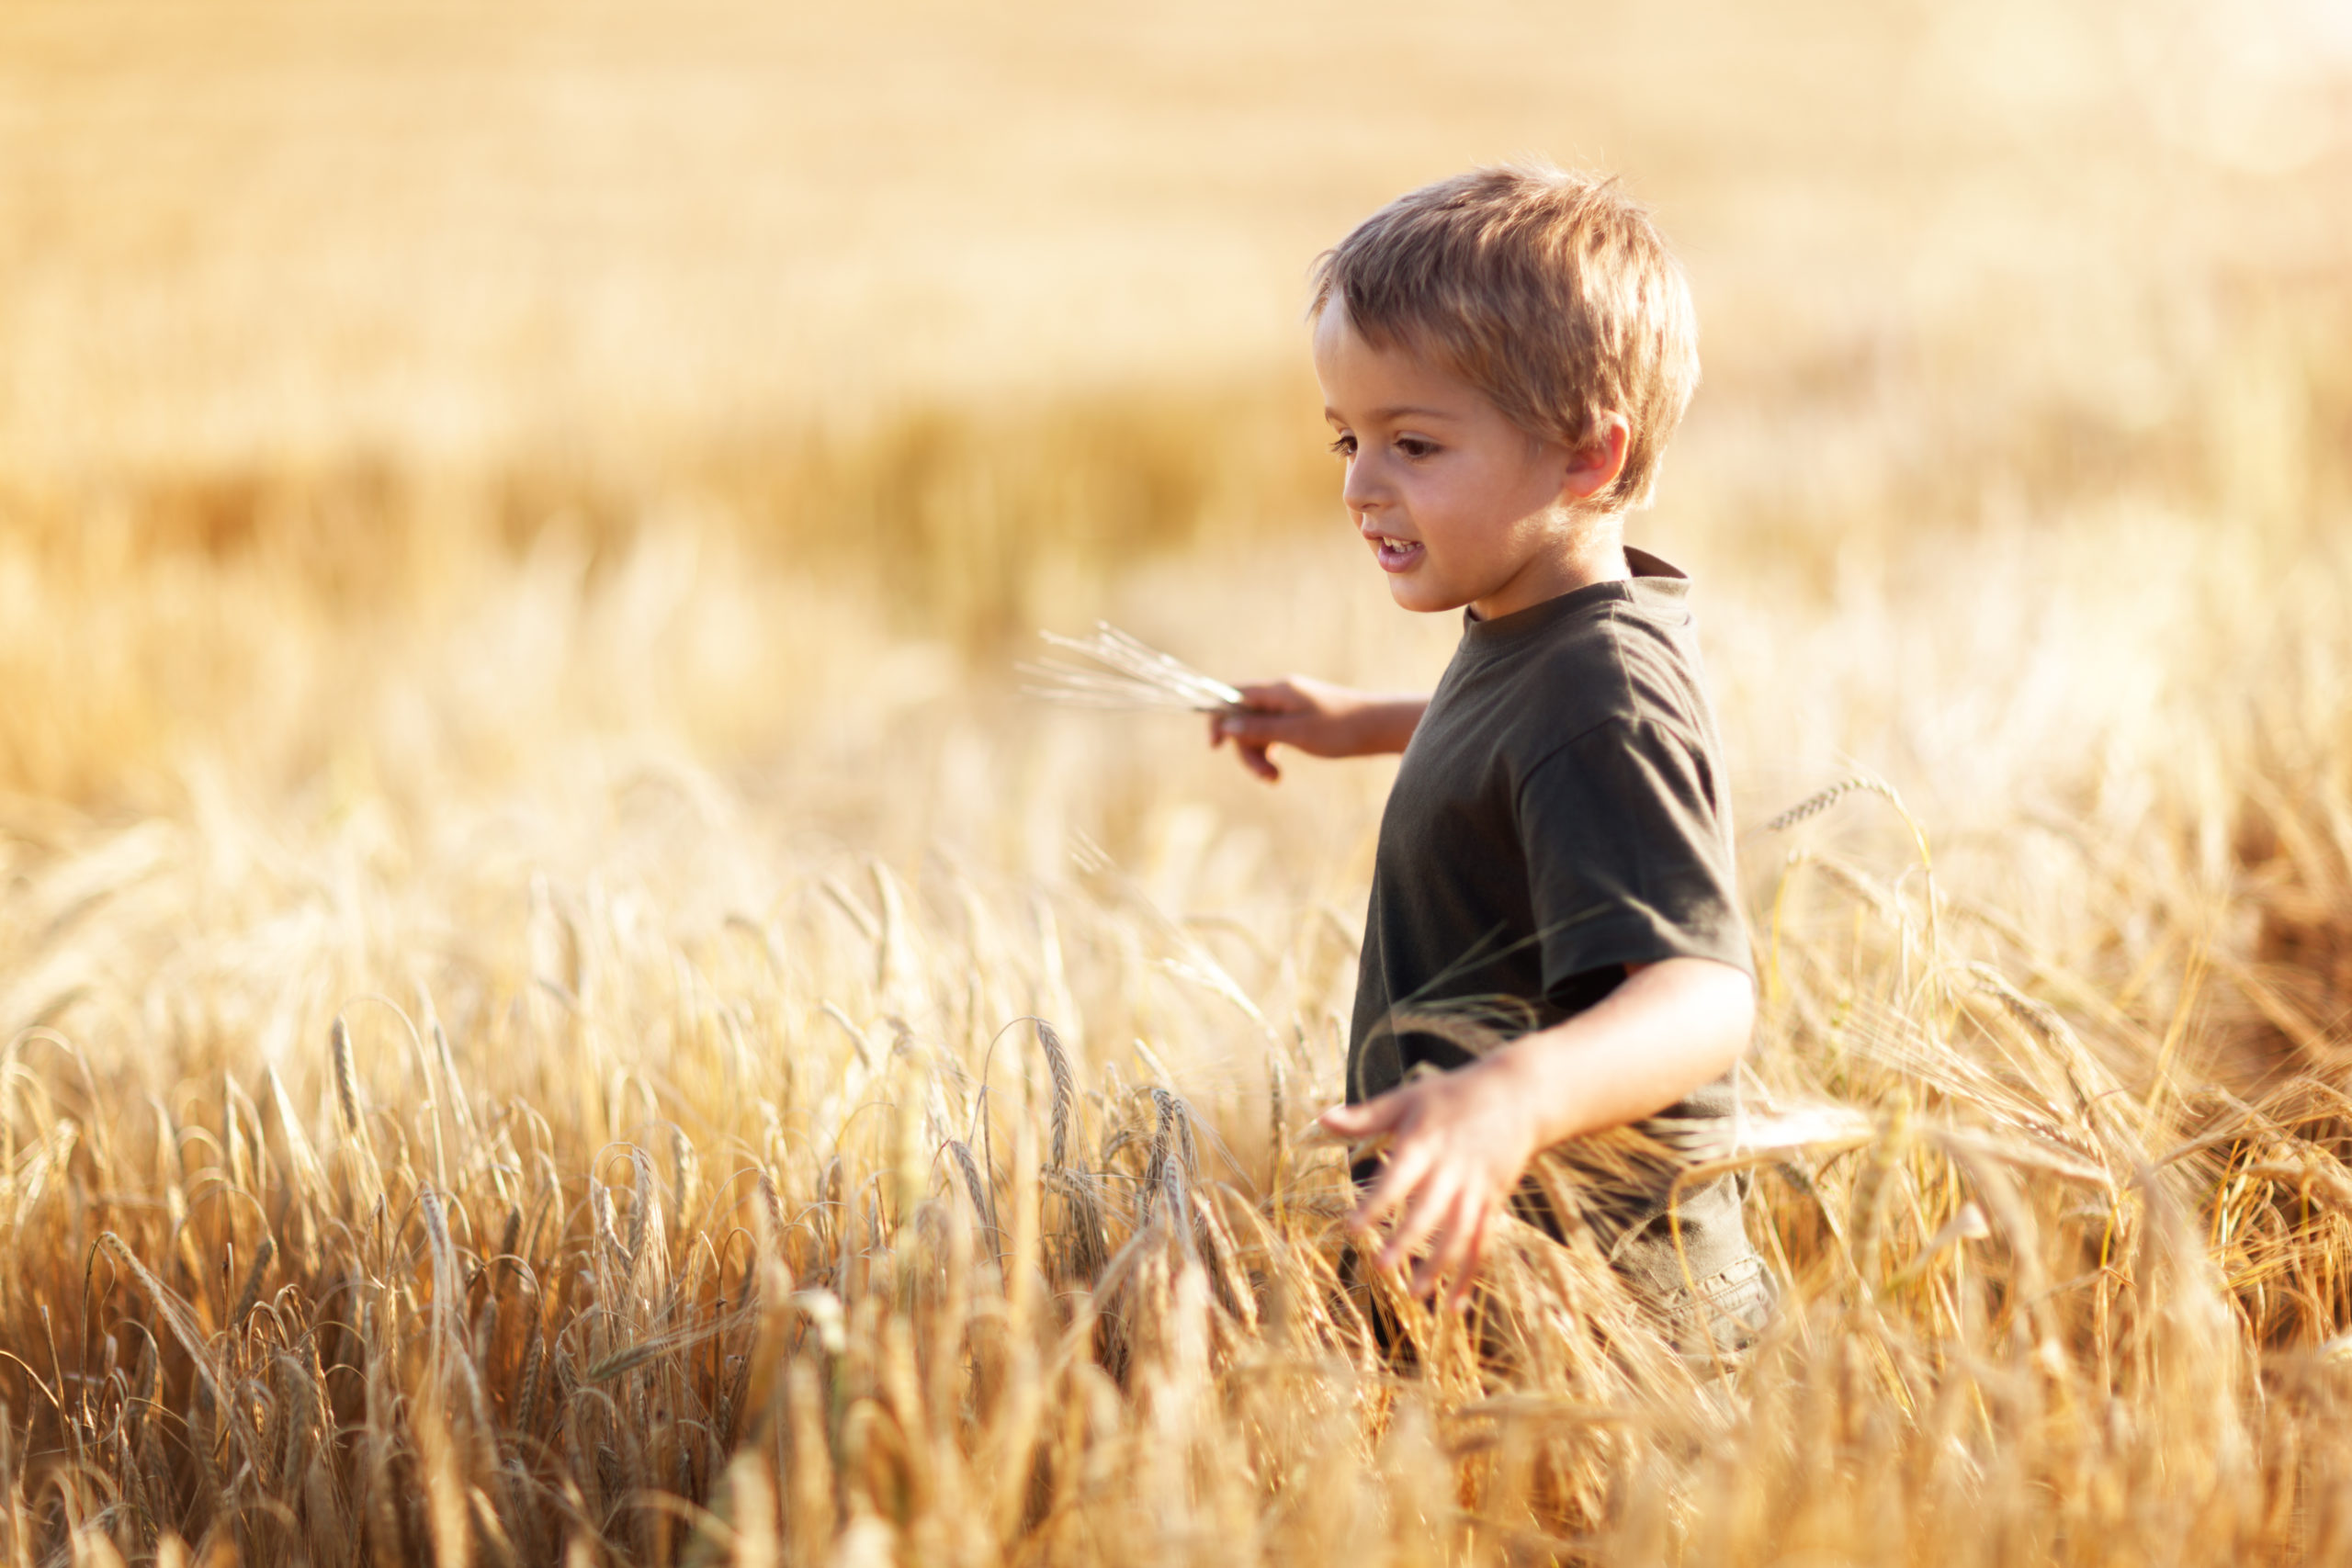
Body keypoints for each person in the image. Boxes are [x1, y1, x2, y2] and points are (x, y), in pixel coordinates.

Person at [1210, 164, 1770, 1348]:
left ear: (1584, 457)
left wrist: (1515, 1098)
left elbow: (1703, 997)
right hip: (1510, 1277)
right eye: (1347, 439)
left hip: (1616, 1322)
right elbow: (1523, 744)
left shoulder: (1603, 691)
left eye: (1413, 442)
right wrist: (1364, 719)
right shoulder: (1542, 630)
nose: (1362, 486)